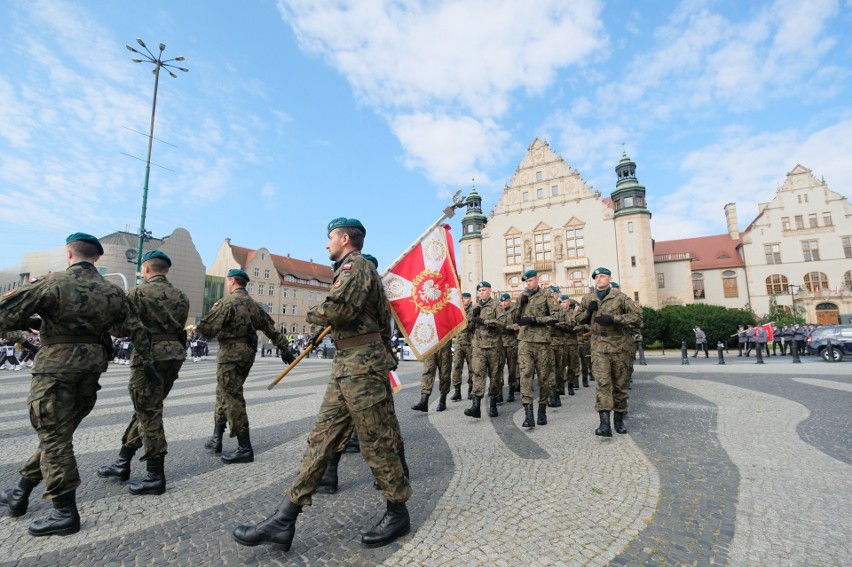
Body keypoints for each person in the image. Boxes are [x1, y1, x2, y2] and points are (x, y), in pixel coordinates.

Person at [232, 217, 412, 551]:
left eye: (329, 238)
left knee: (376, 441)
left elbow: (338, 310)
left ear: (345, 238)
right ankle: (284, 519)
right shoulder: (352, 270)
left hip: (362, 368)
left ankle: (397, 511)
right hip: (349, 364)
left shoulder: (354, 267)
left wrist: (313, 314)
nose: (326, 244)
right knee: (321, 438)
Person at [0, 233, 155, 537]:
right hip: (92, 369)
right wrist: (147, 364)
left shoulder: (53, 282)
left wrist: (30, 332)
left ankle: (64, 512)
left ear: (69, 254)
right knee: (56, 434)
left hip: (55, 368)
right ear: (97, 258)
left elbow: (3, 315)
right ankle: (20, 493)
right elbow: (136, 330)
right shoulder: (112, 292)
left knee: (54, 436)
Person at [96, 250, 190, 496]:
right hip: (174, 355)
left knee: (149, 413)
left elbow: (119, 327)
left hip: (148, 356)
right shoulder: (181, 296)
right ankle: (122, 462)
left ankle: (155, 475)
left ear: (146, 269)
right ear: (165, 269)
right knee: (147, 408)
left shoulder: (137, 293)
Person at [197, 268, 294, 464]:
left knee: (232, 396)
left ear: (232, 281)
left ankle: (244, 447)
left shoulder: (227, 303)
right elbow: (271, 330)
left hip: (230, 355)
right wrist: (285, 349)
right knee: (223, 392)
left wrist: (212, 313)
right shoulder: (255, 306)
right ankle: (217, 438)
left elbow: (206, 330)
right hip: (247, 355)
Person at [576, 267, 642, 437]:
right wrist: (587, 312)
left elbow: (638, 318)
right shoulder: (587, 298)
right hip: (598, 346)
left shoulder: (620, 297)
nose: (599, 279)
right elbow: (573, 320)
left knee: (620, 384)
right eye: (596, 277)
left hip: (619, 346)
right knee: (603, 384)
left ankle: (619, 420)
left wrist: (614, 319)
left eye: (602, 276)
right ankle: (604, 424)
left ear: (609, 278)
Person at [514, 270, 559, 428]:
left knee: (543, 377)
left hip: (542, 342)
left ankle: (542, 409)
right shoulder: (522, 297)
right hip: (525, 341)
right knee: (525, 374)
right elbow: (514, 318)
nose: (529, 284)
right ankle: (528, 415)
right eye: (526, 282)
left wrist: (535, 320)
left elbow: (556, 317)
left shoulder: (546, 295)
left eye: (531, 281)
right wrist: (521, 304)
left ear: (537, 280)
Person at [465, 281, 504, 419]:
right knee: (478, 375)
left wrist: (484, 321)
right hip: (478, 348)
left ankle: (493, 402)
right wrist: (472, 319)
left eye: (484, 290)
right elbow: (468, 329)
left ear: (490, 291)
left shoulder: (496, 305)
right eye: (479, 290)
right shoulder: (475, 306)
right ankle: (476, 406)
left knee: (495, 376)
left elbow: (502, 322)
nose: (481, 292)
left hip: (494, 347)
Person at [411, 342, 453, 412]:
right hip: (430, 343)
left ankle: (442, 400)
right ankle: (424, 401)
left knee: (444, 373)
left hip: (444, 342)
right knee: (427, 371)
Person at [450, 292, 474, 401]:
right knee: (456, 367)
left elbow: (470, 326)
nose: (464, 300)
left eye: (466, 298)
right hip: (459, 343)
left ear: (470, 299)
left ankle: (471, 389)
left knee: (472, 368)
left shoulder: (474, 310)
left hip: (470, 343)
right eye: (462, 298)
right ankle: (457, 391)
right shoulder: (457, 310)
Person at [498, 293, 519, 401]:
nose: (503, 303)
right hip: (500, 344)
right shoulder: (498, 310)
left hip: (512, 343)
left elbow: (519, 324)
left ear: (509, 301)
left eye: (505, 301)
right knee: (498, 369)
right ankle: (499, 393)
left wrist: (508, 328)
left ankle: (511, 389)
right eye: (502, 301)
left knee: (512, 369)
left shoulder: (515, 310)